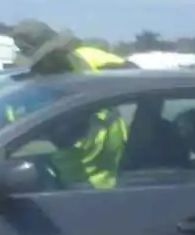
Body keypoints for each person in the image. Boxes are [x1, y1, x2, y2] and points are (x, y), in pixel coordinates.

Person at [11, 33, 133, 189]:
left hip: (81, 187)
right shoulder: (76, 77)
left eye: (38, 66)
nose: (35, 73)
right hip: (91, 180)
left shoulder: (70, 103)